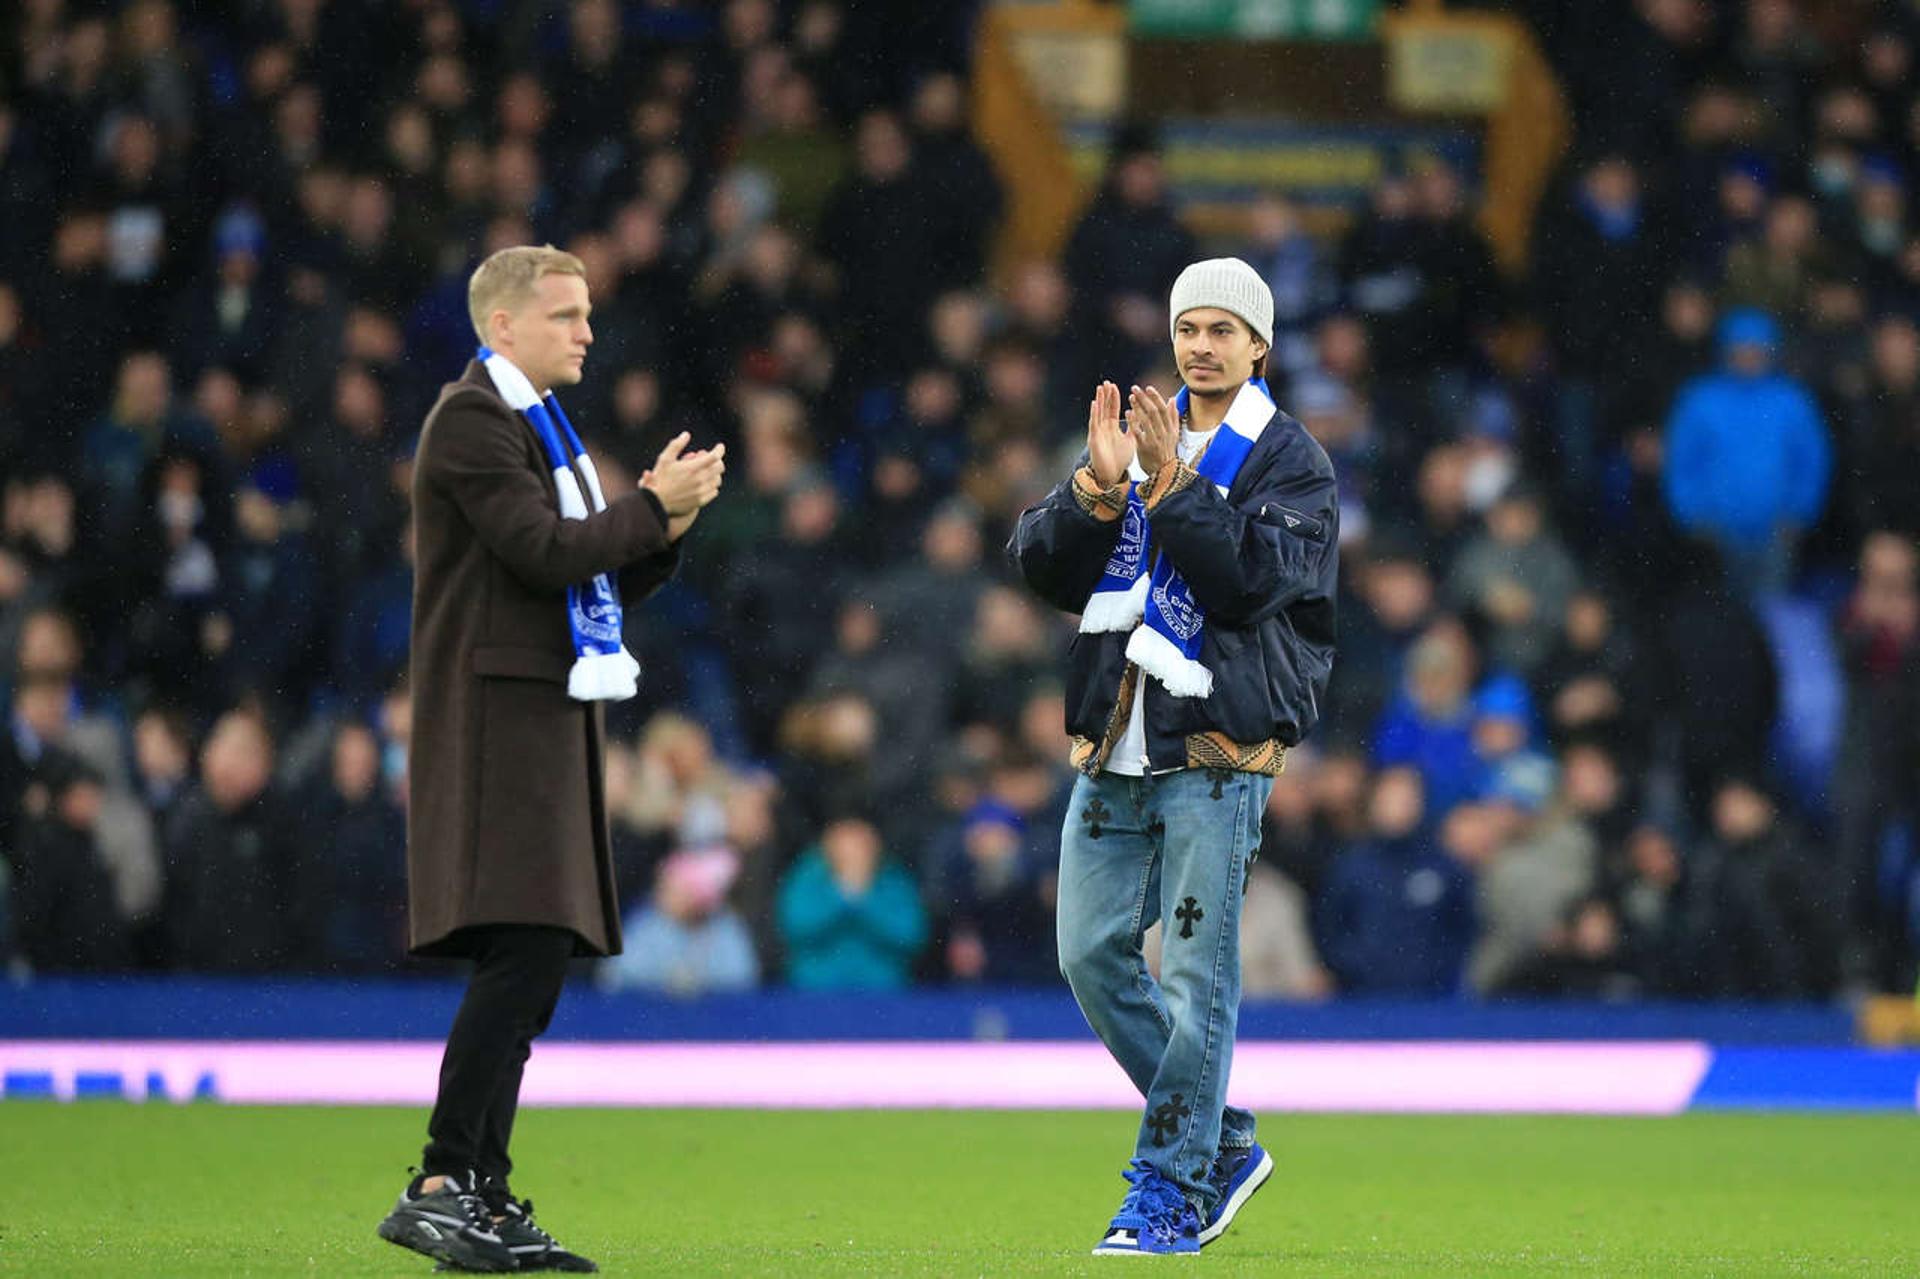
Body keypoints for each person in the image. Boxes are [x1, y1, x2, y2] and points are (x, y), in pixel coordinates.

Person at [377, 245, 725, 1274]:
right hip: (499, 724)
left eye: (585, 314)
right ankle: (444, 1182)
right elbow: (542, 552)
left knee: (533, 961)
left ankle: (476, 1190)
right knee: (522, 952)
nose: (586, 331)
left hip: (541, 716)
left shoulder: (534, 425)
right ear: (502, 328)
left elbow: (583, 578)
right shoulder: (475, 421)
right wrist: (651, 509)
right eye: (566, 315)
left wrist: (667, 526)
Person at [1010, 257, 1338, 1255]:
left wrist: (1174, 485)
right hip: (1118, 732)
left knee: (1197, 971)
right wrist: (1095, 491)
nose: (1200, 344)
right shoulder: (1137, 443)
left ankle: (1168, 1184)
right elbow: (1039, 567)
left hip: (1219, 742)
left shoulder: (1294, 463)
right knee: (1086, 953)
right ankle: (1220, 1137)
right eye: (1187, 327)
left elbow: (1245, 583)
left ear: (1258, 348)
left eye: (1220, 330)